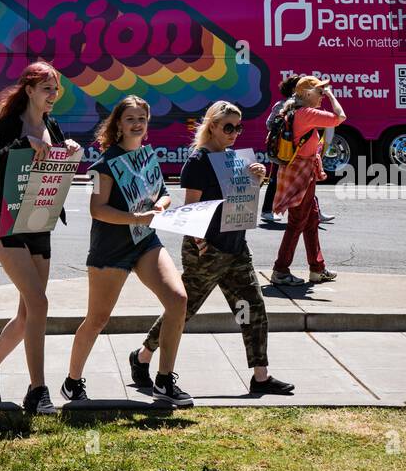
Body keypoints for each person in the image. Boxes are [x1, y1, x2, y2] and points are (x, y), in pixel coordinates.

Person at [134, 101, 295, 396]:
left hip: (236, 246)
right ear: (212, 126)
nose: (235, 133)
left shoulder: (234, 159)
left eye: (239, 127)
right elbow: (191, 207)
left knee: (253, 309)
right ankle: (143, 355)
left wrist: (256, 179)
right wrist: (200, 242)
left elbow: (241, 201)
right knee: (184, 309)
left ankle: (261, 375)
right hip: (206, 248)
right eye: (228, 127)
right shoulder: (198, 161)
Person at [61, 96, 192, 406]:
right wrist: (136, 217)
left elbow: (163, 192)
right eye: (130, 119)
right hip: (111, 248)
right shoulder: (102, 165)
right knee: (97, 319)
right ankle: (72, 381)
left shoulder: (148, 157)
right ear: (118, 124)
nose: (137, 124)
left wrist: (162, 203)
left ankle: (163, 380)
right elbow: (97, 209)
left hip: (145, 241)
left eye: (142, 119)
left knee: (178, 300)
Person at [0, 61, 81, 416]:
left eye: (56, 89)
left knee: (26, 316)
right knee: (40, 305)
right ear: (30, 89)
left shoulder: (52, 125)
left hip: (40, 222)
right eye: (47, 88)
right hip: (8, 224)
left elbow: (56, 168)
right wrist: (23, 143)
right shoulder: (11, 124)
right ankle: (38, 391)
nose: (53, 95)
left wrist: (70, 151)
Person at [271, 76, 346, 285]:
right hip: (300, 175)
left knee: (311, 220)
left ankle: (317, 268)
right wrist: (332, 96)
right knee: (297, 222)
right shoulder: (306, 114)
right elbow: (340, 117)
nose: (322, 95)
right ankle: (281, 270)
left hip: (301, 173)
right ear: (306, 94)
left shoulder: (295, 112)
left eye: (324, 91)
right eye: (319, 91)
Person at [260, 75, 300, 222]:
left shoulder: (304, 105)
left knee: (305, 180)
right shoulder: (281, 104)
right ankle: (266, 210)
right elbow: (269, 123)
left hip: (297, 148)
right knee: (275, 179)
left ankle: (313, 212)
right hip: (282, 148)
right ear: (293, 89)